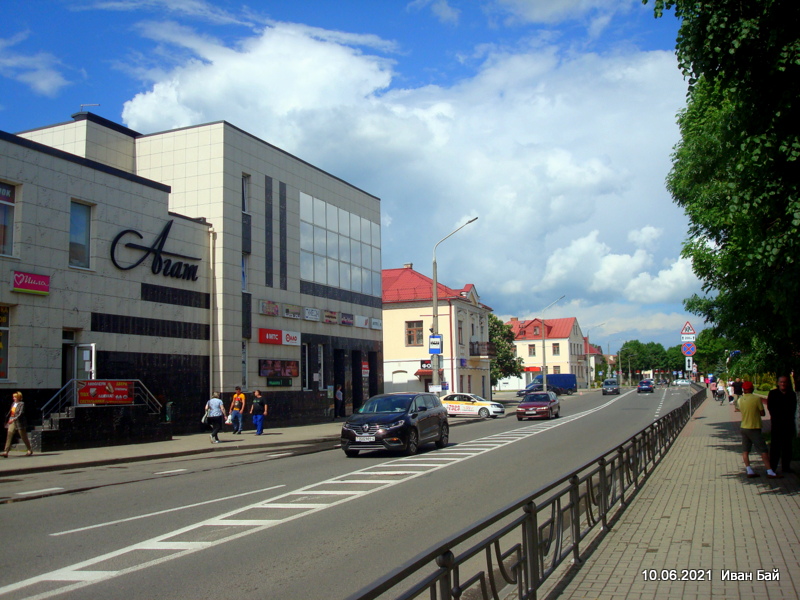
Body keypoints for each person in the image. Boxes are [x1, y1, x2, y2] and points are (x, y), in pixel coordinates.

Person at [737, 381, 779, 479]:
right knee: (763, 450)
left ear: (743, 389)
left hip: (743, 427)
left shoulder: (740, 400)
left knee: (745, 450)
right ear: (752, 389)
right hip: (754, 427)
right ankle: (770, 471)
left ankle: (749, 470)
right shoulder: (756, 399)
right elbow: (762, 413)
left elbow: (740, 410)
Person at [766, 376, 797, 475]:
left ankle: (786, 467)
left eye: (785, 382)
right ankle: (773, 467)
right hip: (777, 425)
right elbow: (770, 407)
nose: (783, 384)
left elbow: (793, 408)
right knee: (775, 447)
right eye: (781, 382)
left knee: (787, 447)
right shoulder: (773, 393)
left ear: (788, 383)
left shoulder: (791, 394)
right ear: (778, 383)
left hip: (788, 425)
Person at [3, 391, 33, 457]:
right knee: (9, 435)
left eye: (15, 397)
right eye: (13, 397)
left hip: (19, 422)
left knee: (23, 436)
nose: (14, 398)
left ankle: (29, 449)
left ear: (19, 397)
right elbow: (11, 413)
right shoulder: (13, 403)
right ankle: (6, 451)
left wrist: (14, 418)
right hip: (12, 421)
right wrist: (10, 419)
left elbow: (21, 413)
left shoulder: (22, 404)